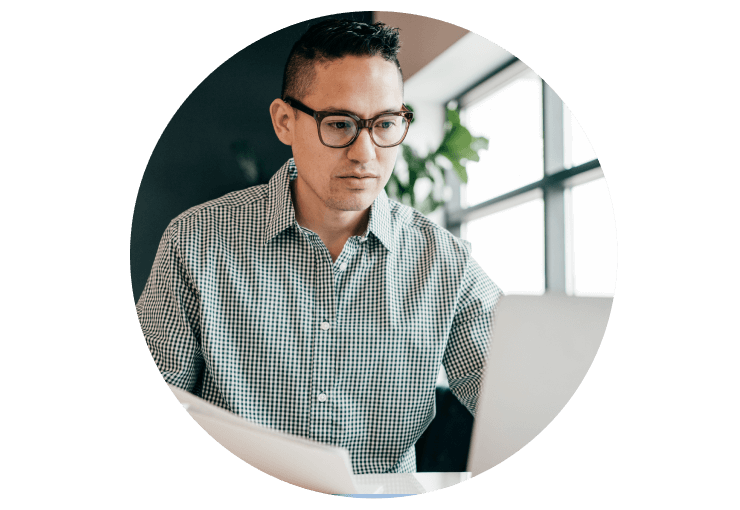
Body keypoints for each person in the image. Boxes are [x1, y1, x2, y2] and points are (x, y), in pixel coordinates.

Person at [137, 18, 503, 475]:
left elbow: (519, 399)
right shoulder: (196, 242)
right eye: (340, 124)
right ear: (285, 122)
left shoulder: (445, 263)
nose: (365, 153)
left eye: (386, 124)